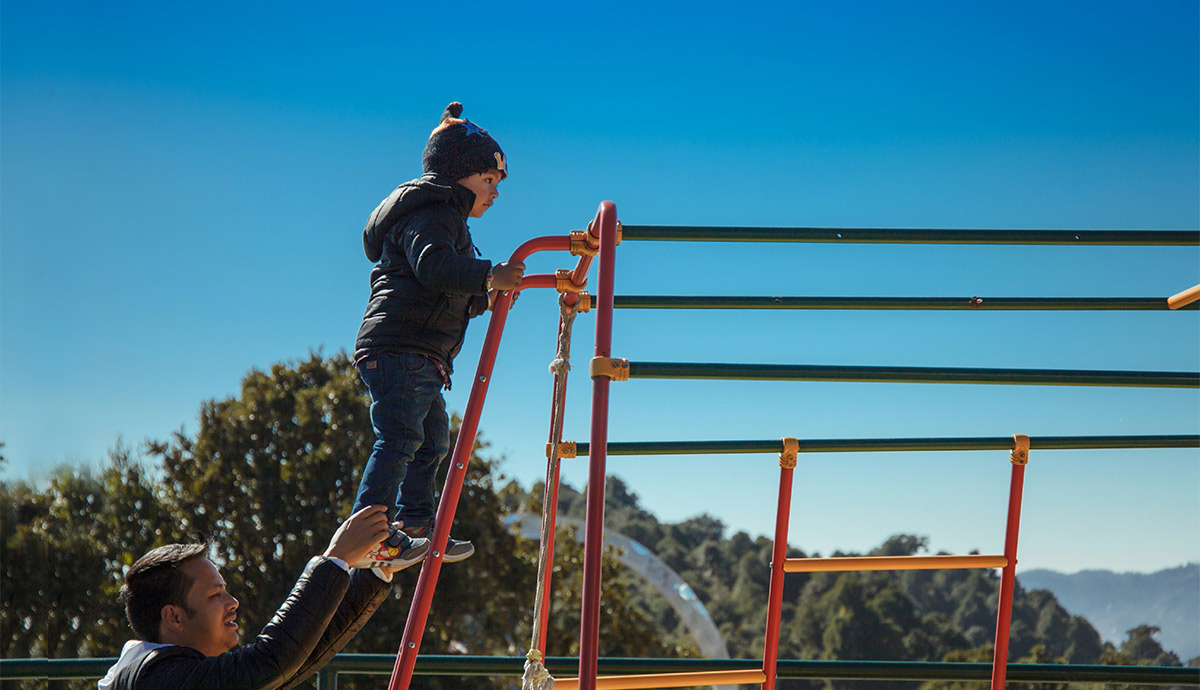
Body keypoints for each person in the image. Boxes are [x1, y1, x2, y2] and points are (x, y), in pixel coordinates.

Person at [350, 102, 524, 569]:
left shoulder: (451, 222)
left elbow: (448, 290)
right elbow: (433, 269)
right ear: (456, 174)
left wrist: (487, 295)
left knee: (430, 441)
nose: (494, 192)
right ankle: (369, 536)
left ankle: (415, 525)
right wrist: (489, 275)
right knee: (400, 438)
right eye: (488, 180)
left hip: (419, 351)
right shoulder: (433, 212)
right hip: (400, 346)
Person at [97, 505, 399, 690]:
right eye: (215, 595)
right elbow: (269, 662)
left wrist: (375, 572)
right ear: (174, 617)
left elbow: (292, 661)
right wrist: (335, 558)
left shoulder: (173, 672)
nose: (233, 602)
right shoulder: (157, 679)